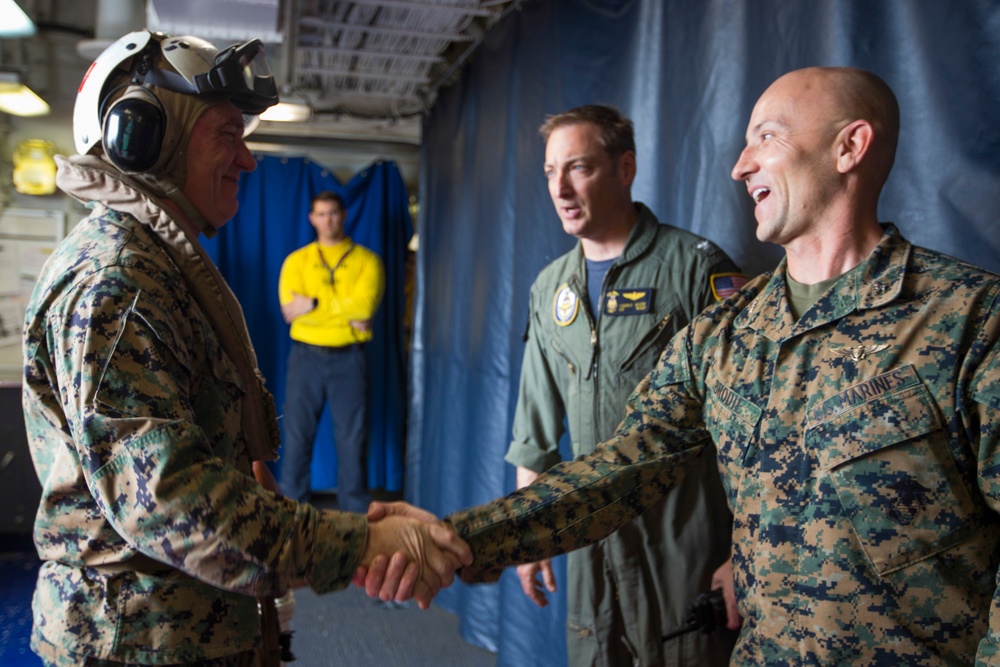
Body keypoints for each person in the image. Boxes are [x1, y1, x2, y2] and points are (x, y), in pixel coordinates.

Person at [364, 66, 1000, 664]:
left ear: (849, 147)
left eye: (767, 138)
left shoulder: (972, 320)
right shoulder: (724, 331)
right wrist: (458, 536)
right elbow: (620, 470)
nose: (739, 164)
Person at [21, 30, 469, 667]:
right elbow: (165, 501)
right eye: (227, 134)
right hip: (139, 643)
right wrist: (358, 546)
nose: (248, 160)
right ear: (144, 135)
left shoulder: (155, 265)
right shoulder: (115, 282)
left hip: (186, 628)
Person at [508, 104, 742, 666]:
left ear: (625, 168)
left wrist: (743, 550)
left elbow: (754, 425)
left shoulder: (692, 268)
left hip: (681, 533)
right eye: (549, 172)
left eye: (579, 168)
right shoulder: (550, 289)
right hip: (590, 537)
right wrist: (526, 531)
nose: (560, 187)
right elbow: (535, 425)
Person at [277, 190, 385, 513]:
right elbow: (289, 311)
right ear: (312, 218)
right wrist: (343, 312)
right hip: (305, 358)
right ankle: (292, 514)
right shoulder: (296, 261)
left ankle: (356, 518)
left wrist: (314, 303)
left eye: (333, 213)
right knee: (296, 438)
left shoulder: (367, 260)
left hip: (349, 360)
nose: (328, 220)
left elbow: (365, 308)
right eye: (321, 214)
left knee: (352, 441)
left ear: (344, 215)